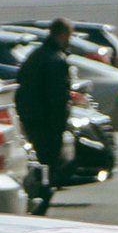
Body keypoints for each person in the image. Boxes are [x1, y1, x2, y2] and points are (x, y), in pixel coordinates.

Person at [15, 19, 77, 181]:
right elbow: (58, 99)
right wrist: (59, 128)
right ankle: (42, 196)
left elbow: (21, 84)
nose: (70, 41)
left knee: (36, 164)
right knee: (47, 168)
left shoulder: (35, 55)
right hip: (46, 125)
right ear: (63, 35)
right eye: (69, 36)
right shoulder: (56, 60)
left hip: (29, 120)